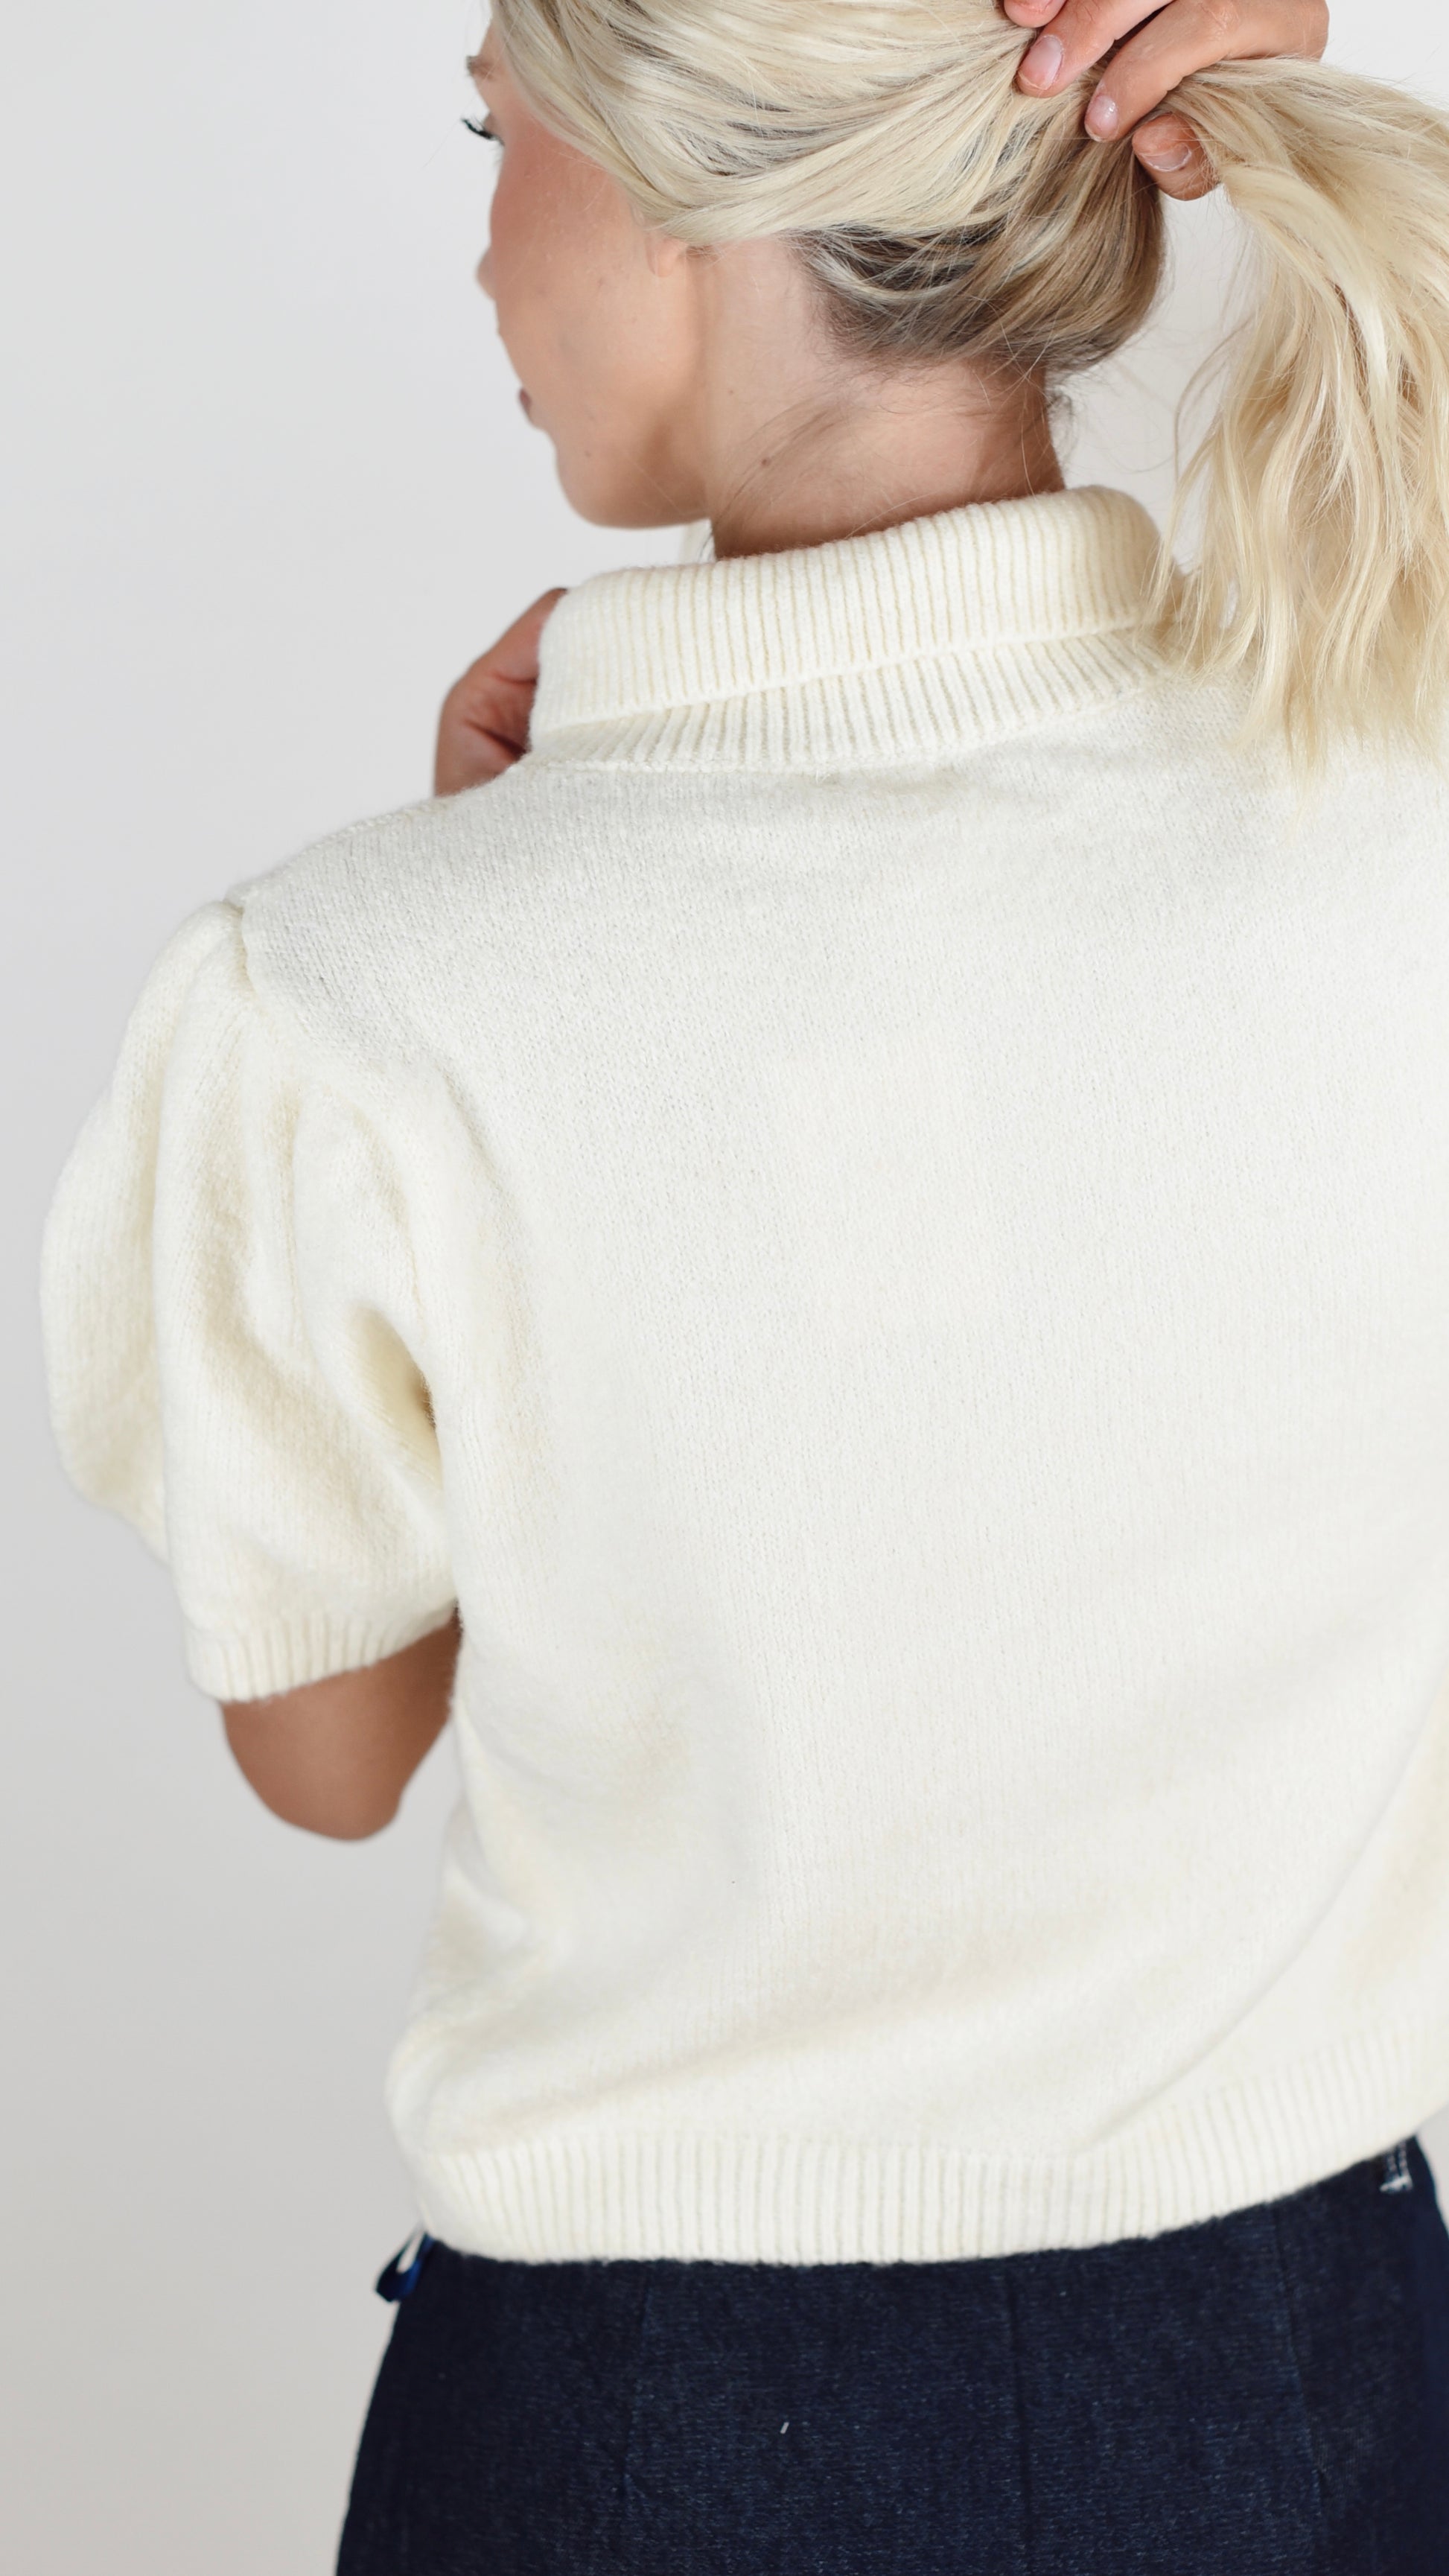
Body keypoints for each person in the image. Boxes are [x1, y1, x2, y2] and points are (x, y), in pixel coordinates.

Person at [39, 0, 1449, 2563]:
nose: (481, 247)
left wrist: (489, 918)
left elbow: (326, 1756)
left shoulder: (349, 993)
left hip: (636, 2418)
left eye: (494, 131)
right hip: (1315, 2378)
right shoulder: (1392, 811)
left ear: (682, 183)